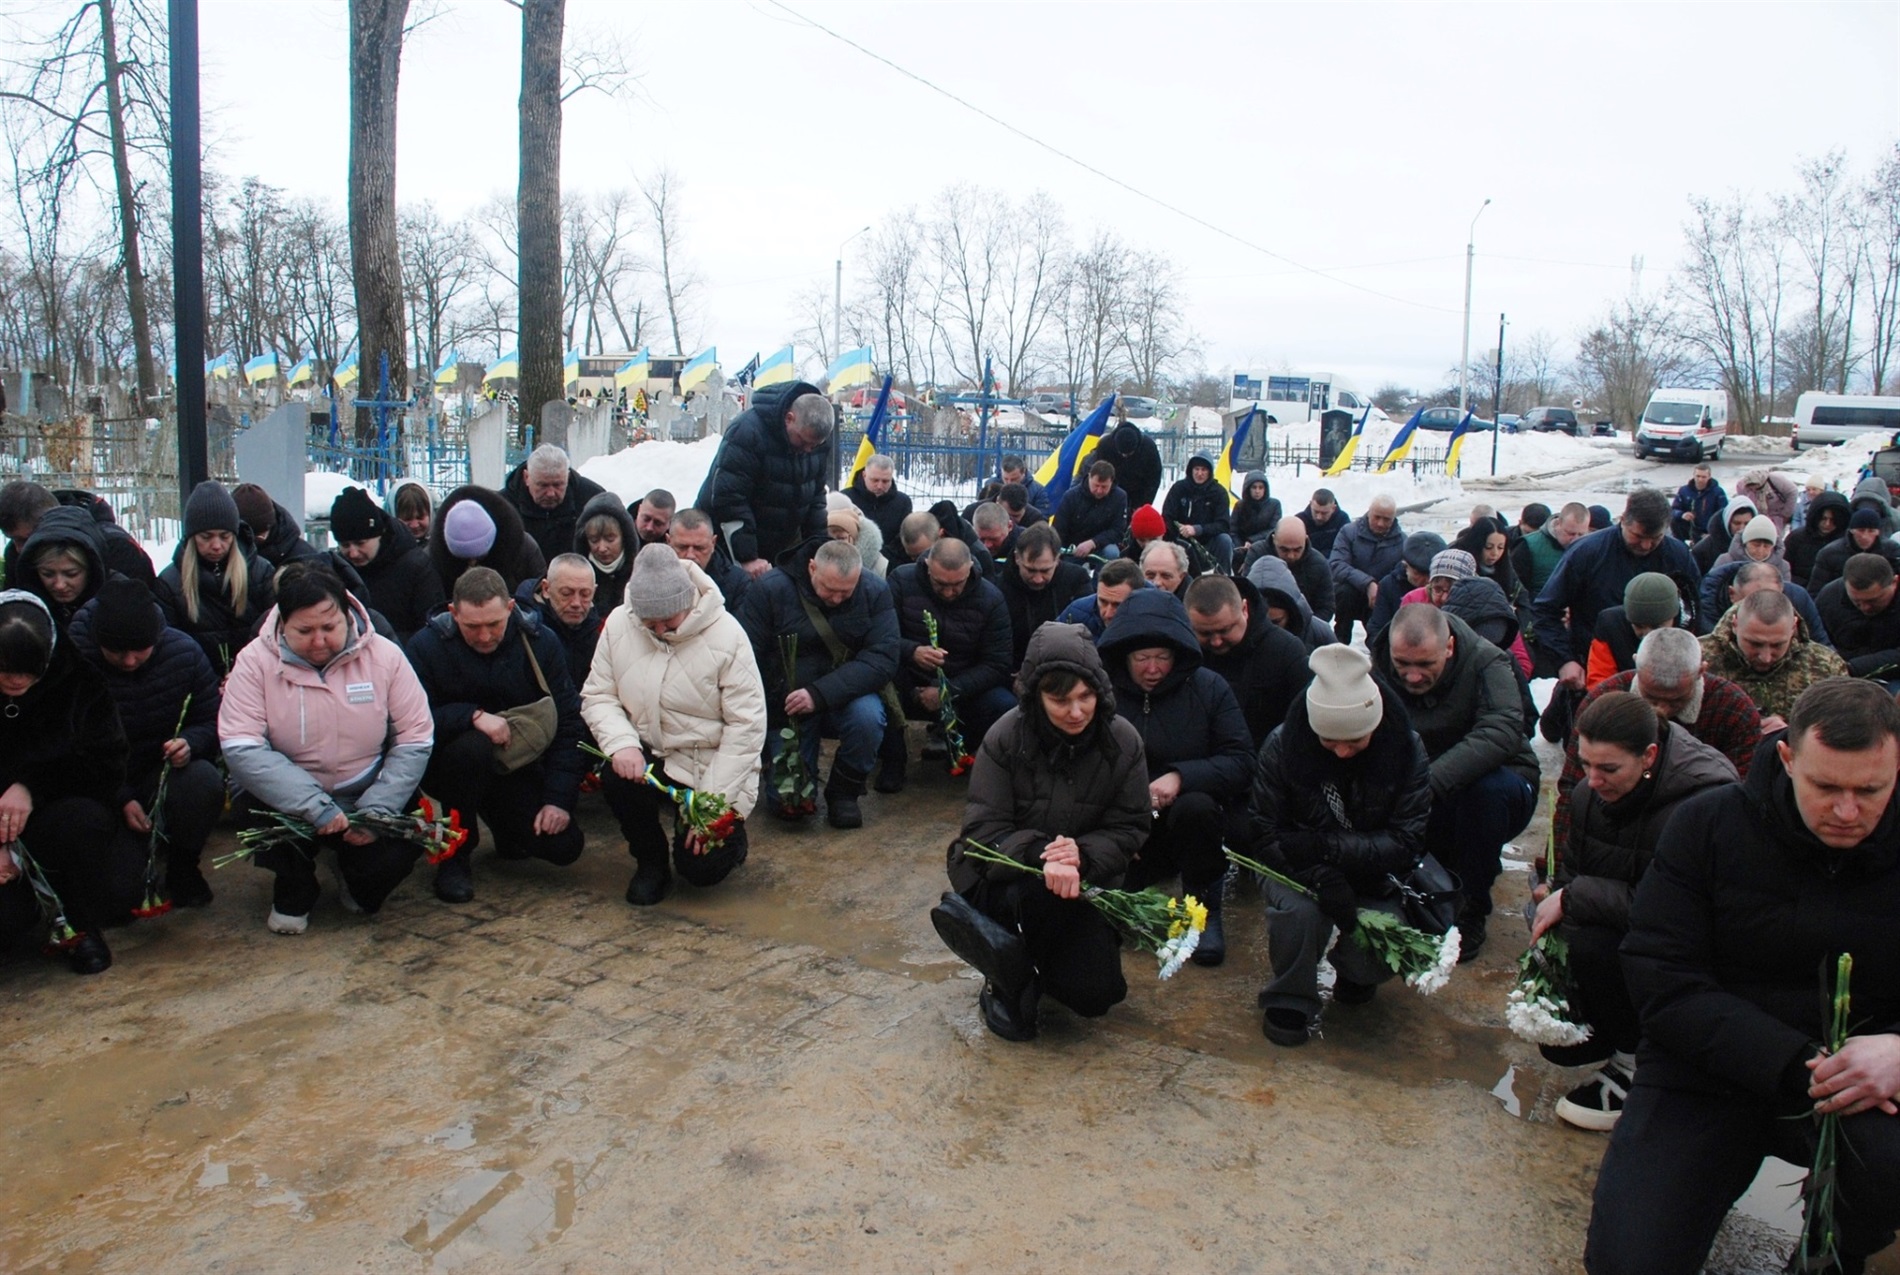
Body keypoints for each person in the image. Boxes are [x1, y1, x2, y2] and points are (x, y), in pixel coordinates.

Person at [1584, 679, 1900, 1274]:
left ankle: (1836, 1246)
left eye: (1870, 790)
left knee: (1888, 1165)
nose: (1846, 811)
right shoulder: (1707, 824)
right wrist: (1796, 1059)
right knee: (1629, 1261)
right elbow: (1661, 977)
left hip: (1865, 1085)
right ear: (1787, 757)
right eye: (1825, 787)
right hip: (1709, 1068)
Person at [932, 621, 1149, 1041]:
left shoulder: (1123, 741)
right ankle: (1003, 972)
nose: (1076, 712)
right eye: (1060, 700)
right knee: (1033, 903)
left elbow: (1130, 825)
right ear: (1036, 696)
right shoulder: (1005, 736)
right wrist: (1044, 854)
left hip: (1082, 880)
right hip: (1008, 877)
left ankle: (1043, 962)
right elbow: (983, 831)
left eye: (1086, 697)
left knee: (1097, 996)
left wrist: (1082, 855)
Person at [1533, 691, 1738, 1132]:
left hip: (1694, 954)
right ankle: (1615, 1034)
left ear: (1649, 755)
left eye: (1608, 769)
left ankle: (1639, 1061)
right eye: (1585, 764)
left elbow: (1683, 911)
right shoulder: (1589, 794)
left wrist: (1573, 897)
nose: (1592, 780)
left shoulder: (1704, 802)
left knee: (1594, 943)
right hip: (1626, 927)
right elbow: (1573, 873)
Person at [219, 566, 434, 934]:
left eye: (329, 628)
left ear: (346, 616)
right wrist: (312, 805)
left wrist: (379, 808)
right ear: (283, 624)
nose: (319, 641)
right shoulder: (255, 662)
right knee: (257, 812)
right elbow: (241, 744)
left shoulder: (384, 656)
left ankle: (353, 872)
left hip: (364, 787)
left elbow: (415, 735)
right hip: (289, 796)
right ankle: (296, 882)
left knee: (378, 878)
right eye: (304, 632)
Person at [1251, 644, 1432, 1044]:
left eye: (1355, 740)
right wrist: (1318, 874)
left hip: (1372, 869)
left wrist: (1328, 848)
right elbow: (1264, 831)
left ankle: (1355, 971)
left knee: (1382, 930)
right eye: (1329, 741)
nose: (1344, 752)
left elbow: (1407, 839)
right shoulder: (1282, 746)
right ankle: (1291, 994)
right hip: (1296, 864)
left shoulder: (1406, 749)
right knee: (1300, 914)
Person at [582, 544, 766, 905]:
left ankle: (733, 839)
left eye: (669, 621)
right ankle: (650, 862)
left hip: (709, 763)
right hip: (648, 751)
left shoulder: (728, 635)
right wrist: (622, 744)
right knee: (617, 778)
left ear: (689, 602)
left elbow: (746, 726)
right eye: (650, 624)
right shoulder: (619, 623)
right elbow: (598, 694)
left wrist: (712, 805)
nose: (661, 630)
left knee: (700, 869)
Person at [406, 567, 588, 903]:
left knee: (565, 846)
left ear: (510, 609)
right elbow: (410, 720)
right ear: (453, 613)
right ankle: (456, 850)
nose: (485, 636)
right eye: (472, 626)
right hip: (451, 765)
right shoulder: (425, 647)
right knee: (472, 748)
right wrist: (470, 716)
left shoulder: (541, 642)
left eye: (494, 624)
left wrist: (558, 799)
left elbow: (569, 723)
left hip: (515, 764)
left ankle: (505, 825)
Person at [1370, 604, 1538, 959]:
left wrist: (1426, 784)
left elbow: (1503, 729)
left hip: (1498, 784)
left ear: (1448, 647)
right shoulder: (1378, 662)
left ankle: (1470, 908)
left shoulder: (1487, 661)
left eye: (1425, 664)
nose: (1413, 676)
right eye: (1403, 664)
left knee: (1485, 794)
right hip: (1421, 787)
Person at [1097, 590, 1255, 967]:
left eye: (1163, 658)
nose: (1153, 669)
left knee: (1197, 808)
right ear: (1124, 656)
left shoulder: (1209, 688)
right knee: (1104, 922)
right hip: (1127, 825)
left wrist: (1181, 777)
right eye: (1142, 659)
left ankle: (1202, 908)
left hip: (1188, 819)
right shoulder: (1102, 694)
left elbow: (1242, 761)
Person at [70, 578, 224, 910]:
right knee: (122, 897)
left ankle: (183, 865)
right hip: (100, 788)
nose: (129, 661)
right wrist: (121, 796)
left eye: (140, 650)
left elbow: (210, 718)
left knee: (202, 781)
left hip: (160, 773)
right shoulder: (75, 665)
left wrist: (190, 742)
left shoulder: (184, 653)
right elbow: (70, 748)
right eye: (116, 652)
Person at [0, 591, 129, 974]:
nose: (17, 680)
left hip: (52, 815)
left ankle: (79, 923)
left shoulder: (79, 681)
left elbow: (106, 764)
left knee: (83, 823)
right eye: (5, 669)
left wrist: (31, 787)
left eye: (30, 670)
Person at [738, 537, 900, 830]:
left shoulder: (874, 590)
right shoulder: (770, 589)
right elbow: (748, 656)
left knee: (868, 718)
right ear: (812, 567)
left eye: (845, 592)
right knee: (788, 804)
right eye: (829, 589)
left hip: (846, 695)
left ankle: (844, 793)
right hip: (787, 702)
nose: (836, 599)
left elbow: (882, 660)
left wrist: (818, 694)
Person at [1530, 488, 1700, 695]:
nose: (1646, 545)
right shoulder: (1587, 552)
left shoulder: (1678, 555)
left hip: (1663, 673)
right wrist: (1565, 660)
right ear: (1623, 520)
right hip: (1594, 669)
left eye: (1655, 538)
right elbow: (1545, 609)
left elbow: (1694, 611)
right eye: (1638, 536)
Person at [881, 536, 1014, 792]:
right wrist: (911, 651)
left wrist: (948, 691)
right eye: (940, 584)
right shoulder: (901, 581)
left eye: (957, 584)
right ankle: (892, 760)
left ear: (970, 569)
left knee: (1003, 705)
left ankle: (965, 750)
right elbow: (880, 637)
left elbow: (998, 663)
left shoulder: (990, 598)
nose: (949, 592)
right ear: (927, 566)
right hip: (909, 678)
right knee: (879, 684)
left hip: (963, 685)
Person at [694, 380, 832, 579]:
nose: (809, 450)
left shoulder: (814, 440)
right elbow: (731, 498)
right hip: (729, 544)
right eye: (803, 441)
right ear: (789, 418)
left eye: (815, 445)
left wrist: (819, 553)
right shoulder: (747, 432)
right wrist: (747, 557)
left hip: (779, 540)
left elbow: (816, 499)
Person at [155, 480, 278, 676]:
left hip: (254, 677)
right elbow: (170, 650)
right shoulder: (169, 583)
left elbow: (275, 633)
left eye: (225, 536)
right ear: (192, 537)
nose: (217, 545)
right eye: (206, 537)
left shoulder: (261, 573)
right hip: (199, 682)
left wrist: (243, 674)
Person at [1184, 573, 1313, 751]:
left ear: (1244, 609)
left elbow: (1304, 722)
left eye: (1225, 630)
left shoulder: (1285, 651)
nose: (1216, 641)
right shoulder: (1185, 654)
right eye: (1205, 633)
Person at [1699, 587, 1847, 733]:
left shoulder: (1826, 665)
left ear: (1793, 628)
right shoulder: (1699, 658)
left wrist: (1791, 731)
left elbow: (1844, 727)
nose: (1766, 657)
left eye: (1777, 645)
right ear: (1735, 625)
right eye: (1754, 644)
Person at [330, 485, 442, 643]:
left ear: (380, 534)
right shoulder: (338, 570)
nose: (353, 553)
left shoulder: (416, 567)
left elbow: (430, 631)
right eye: (345, 545)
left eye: (360, 543)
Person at [0, 480, 153, 588]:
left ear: (48, 522)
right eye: (13, 539)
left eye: (26, 539)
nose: (19, 549)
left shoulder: (117, 547)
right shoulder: (16, 552)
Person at [997, 523, 1091, 670]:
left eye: (1045, 571)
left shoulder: (1077, 580)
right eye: (1030, 570)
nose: (1038, 579)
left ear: (1057, 559)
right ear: (1017, 558)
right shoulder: (999, 588)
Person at [429, 484, 547, 596]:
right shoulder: (434, 560)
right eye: (464, 559)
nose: (472, 563)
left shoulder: (524, 549)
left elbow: (540, 595)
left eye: (480, 557)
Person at [503, 443, 609, 566]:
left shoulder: (592, 499)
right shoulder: (503, 507)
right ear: (527, 477)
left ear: (567, 477)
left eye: (558, 485)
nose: (551, 493)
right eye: (543, 485)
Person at [514, 553, 604, 690]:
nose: (576, 603)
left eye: (585, 594)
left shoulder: (595, 632)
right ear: (546, 589)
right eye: (566, 593)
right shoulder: (522, 631)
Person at [15, 503, 112, 630]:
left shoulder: (117, 601)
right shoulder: (23, 609)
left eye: (71, 574)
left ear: (92, 569)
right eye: (47, 574)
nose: (59, 585)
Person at [1327, 493, 1404, 643]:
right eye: (1377, 517)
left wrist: (1380, 589)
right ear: (1369, 513)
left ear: (1393, 519)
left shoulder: (1402, 541)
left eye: (1386, 519)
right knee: (1344, 592)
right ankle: (1340, 642)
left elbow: (1401, 574)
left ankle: (1378, 646)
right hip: (1351, 593)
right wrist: (1368, 583)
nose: (1380, 523)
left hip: (1381, 597)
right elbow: (1336, 564)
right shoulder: (1348, 532)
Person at [1585, 573, 1681, 689]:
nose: (1647, 634)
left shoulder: (1694, 632)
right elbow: (1599, 684)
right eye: (1639, 626)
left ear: (1674, 617)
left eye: (1656, 627)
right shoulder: (1611, 626)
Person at [1816, 552, 1900, 681]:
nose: (1865, 607)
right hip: (1839, 673)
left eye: (1874, 600)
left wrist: (1853, 668)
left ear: (1894, 582)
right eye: (1856, 601)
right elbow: (1817, 641)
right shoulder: (1829, 598)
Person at [1246, 552, 1337, 651]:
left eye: (1276, 622)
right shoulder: (1234, 638)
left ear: (1291, 612)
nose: (1268, 629)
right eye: (1259, 621)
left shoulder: (1320, 634)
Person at [1160, 452, 1233, 572]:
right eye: (1197, 469)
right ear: (1191, 470)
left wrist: (1198, 529)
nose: (1199, 473)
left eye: (1203, 470)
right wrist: (1179, 530)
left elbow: (1223, 524)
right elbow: (1167, 516)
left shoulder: (1219, 493)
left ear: (1209, 472)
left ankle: (1223, 576)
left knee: (1225, 540)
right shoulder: (1179, 489)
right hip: (1181, 541)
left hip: (1208, 543)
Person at [1365, 531, 1446, 638]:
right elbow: (1376, 630)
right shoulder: (1389, 585)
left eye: (1431, 575)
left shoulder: (1446, 591)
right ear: (1405, 566)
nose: (1428, 581)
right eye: (1418, 574)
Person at [1510, 500, 1588, 605]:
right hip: (1537, 610)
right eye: (1570, 533)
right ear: (1558, 523)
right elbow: (1514, 590)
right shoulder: (1526, 545)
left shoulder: (1592, 548)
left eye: (1581, 534)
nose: (1575, 539)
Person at [668, 508, 750, 609]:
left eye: (699, 548)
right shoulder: (652, 575)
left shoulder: (737, 583)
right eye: (682, 547)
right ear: (669, 541)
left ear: (713, 543)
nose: (690, 555)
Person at [1809, 506, 1900, 594]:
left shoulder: (1891, 550)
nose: (1865, 536)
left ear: (1878, 532)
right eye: (1861, 530)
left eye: (1871, 531)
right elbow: (1816, 590)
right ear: (1852, 531)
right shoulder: (1829, 553)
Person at [1262, 516, 1335, 622]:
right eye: (1284, 549)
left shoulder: (1319, 563)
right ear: (1274, 540)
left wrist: (1305, 627)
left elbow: (1326, 607)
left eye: (1297, 550)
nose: (1291, 556)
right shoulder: (1257, 554)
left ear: (1306, 540)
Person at [1052, 460, 1128, 561]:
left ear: (1111, 482)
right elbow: (1059, 528)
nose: (1099, 491)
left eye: (1104, 487)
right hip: (1074, 547)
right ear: (1089, 478)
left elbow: (1118, 530)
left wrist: (1093, 542)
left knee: (1112, 553)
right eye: (1096, 485)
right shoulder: (1071, 497)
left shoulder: (1119, 497)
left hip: (1102, 545)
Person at [234, 482, 321, 569]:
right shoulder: (229, 556)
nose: (260, 539)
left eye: (263, 534)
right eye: (253, 537)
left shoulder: (305, 558)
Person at [1054, 557, 1144, 639]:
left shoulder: (1150, 620)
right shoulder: (1077, 611)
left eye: (1117, 605)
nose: (1108, 614)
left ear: (1137, 599)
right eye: (1103, 601)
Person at [575, 490, 638, 607]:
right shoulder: (573, 574)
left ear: (624, 536)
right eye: (594, 540)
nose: (602, 548)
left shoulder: (639, 572)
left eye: (610, 539)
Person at [846, 454, 913, 552]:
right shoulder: (846, 499)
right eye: (875, 480)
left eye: (885, 481)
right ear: (864, 475)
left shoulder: (903, 502)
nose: (880, 486)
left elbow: (904, 537)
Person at [1784, 487, 1848, 588]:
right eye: (1823, 519)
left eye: (1833, 520)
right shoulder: (1796, 538)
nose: (1827, 524)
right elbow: (1785, 570)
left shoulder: (1846, 544)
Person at [1101, 419, 1162, 509]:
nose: (1124, 456)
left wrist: (1144, 504)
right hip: (1112, 494)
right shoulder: (1105, 446)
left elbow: (1153, 479)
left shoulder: (1149, 448)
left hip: (1139, 493)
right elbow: (1100, 473)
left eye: (1128, 454)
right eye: (1121, 453)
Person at [825, 493, 887, 579]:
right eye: (829, 538)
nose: (834, 543)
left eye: (841, 538)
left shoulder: (879, 565)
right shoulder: (817, 560)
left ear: (853, 537)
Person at [1691, 496, 1757, 575]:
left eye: (1747, 523)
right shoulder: (1702, 551)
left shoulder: (1764, 545)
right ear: (1728, 522)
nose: (1742, 528)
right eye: (1737, 523)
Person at [1230, 471, 1283, 569]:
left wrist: (1252, 541)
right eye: (1254, 487)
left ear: (1265, 489)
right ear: (1248, 488)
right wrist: (1240, 547)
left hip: (1265, 547)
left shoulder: (1274, 505)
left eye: (1261, 487)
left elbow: (1274, 529)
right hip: (1241, 549)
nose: (1257, 491)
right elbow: (1233, 530)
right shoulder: (1240, 506)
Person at [1669, 463, 1726, 542]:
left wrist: (1713, 532)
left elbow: (1723, 513)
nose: (1700, 479)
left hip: (1708, 530)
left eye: (1703, 477)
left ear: (1709, 477)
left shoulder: (1718, 492)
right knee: (1674, 521)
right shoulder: (1684, 490)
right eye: (1698, 476)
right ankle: (1680, 544)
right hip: (1689, 527)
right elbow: (1673, 510)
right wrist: (1682, 514)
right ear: (1693, 475)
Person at [1734, 467, 1798, 533]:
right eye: (1750, 488)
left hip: (1778, 515)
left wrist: (1786, 514)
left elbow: (1793, 492)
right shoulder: (1741, 486)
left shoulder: (1776, 480)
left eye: (1755, 486)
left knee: (1774, 535)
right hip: (1756, 517)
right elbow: (1744, 502)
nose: (1753, 489)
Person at [1297, 488, 1351, 559]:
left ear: (1333, 508)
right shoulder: (1299, 521)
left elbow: (1346, 547)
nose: (1319, 517)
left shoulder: (1342, 519)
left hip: (1334, 560)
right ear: (1311, 504)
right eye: (1316, 512)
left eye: (1324, 513)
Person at [389, 481, 434, 550]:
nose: (415, 525)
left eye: (420, 517)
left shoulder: (441, 550)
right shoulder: (386, 551)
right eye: (407, 519)